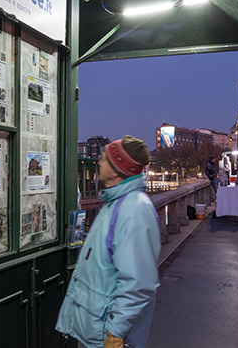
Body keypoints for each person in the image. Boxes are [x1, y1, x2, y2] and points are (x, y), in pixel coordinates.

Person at [56, 135, 161, 348]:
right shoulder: (116, 203)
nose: (99, 162)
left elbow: (138, 283)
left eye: (104, 158)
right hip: (96, 329)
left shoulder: (134, 210)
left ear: (116, 169)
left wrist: (115, 334)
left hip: (106, 336)